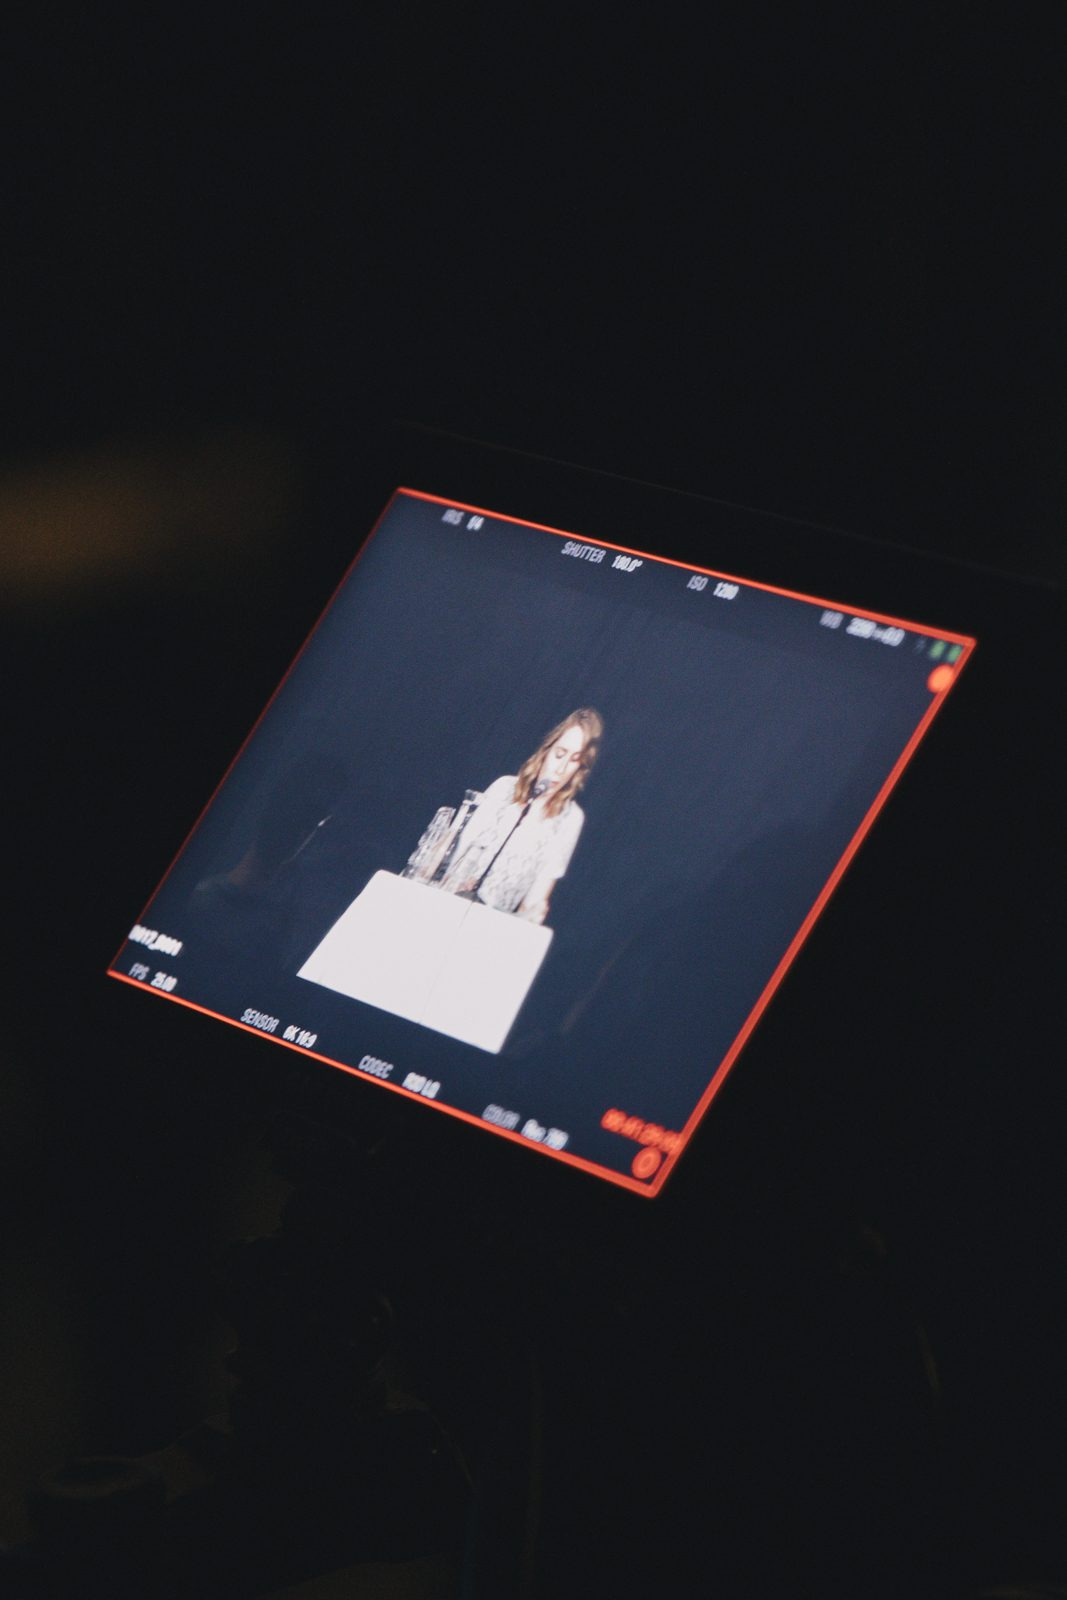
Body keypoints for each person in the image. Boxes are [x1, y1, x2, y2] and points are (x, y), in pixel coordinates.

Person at [440, 709, 603, 925]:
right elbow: (449, 852)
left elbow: (533, 902)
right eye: (560, 754)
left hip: (488, 925)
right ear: (547, 750)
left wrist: (532, 916)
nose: (561, 769)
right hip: (445, 904)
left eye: (574, 760)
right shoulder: (503, 789)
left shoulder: (569, 819)